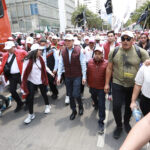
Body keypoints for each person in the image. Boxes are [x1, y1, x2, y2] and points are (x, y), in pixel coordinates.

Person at [104, 31, 149, 139]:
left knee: (130, 106)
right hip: (117, 83)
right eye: (123, 39)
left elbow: (148, 66)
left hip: (133, 85)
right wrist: (106, 84)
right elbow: (109, 68)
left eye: (128, 39)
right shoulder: (114, 51)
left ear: (133, 40)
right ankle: (119, 126)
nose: (125, 41)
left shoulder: (141, 52)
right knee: (116, 106)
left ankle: (126, 123)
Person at [21, 44, 54, 124]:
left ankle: (47, 105)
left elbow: (45, 67)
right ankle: (31, 114)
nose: (41, 51)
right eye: (39, 50)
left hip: (40, 79)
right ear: (35, 51)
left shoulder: (41, 58)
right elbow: (24, 72)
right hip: (31, 81)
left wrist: (50, 73)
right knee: (30, 97)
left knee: (44, 93)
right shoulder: (27, 60)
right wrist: (23, 84)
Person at [57, 34, 86, 120]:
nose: (67, 42)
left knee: (76, 93)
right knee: (70, 95)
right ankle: (73, 110)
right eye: (66, 40)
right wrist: (59, 77)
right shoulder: (63, 51)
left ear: (73, 41)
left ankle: (80, 106)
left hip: (77, 75)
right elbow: (60, 64)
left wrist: (84, 76)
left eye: (69, 40)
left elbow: (83, 63)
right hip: (68, 76)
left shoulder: (79, 50)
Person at [0, 41, 27, 112]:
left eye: (9, 48)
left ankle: (28, 102)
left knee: (25, 90)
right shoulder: (5, 55)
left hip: (21, 74)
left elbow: (29, 60)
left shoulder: (22, 52)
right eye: (7, 49)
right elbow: (2, 66)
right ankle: (19, 103)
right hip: (11, 76)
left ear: (13, 47)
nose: (8, 50)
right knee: (12, 90)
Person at [87, 46, 108, 134]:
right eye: (96, 54)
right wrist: (88, 82)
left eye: (99, 54)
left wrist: (107, 86)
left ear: (102, 54)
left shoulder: (107, 63)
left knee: (101, 105)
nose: (97, 55)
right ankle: (95, 104)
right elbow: (88, 73)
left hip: (101, 89)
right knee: (94, 100)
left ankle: (101, 122)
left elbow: (109, 76)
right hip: (92, 87)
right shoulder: (90, 62)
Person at [103, 30, 120, 101]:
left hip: (117, 67)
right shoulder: (105, 45)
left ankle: (115, 94)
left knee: (115, 81)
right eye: (108, 36)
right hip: (108, 66)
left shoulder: (119, 46)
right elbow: (104, 57)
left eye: (111, 36)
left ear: (114, 36)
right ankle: (109, 93)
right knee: (108, 80)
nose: (110, 37)